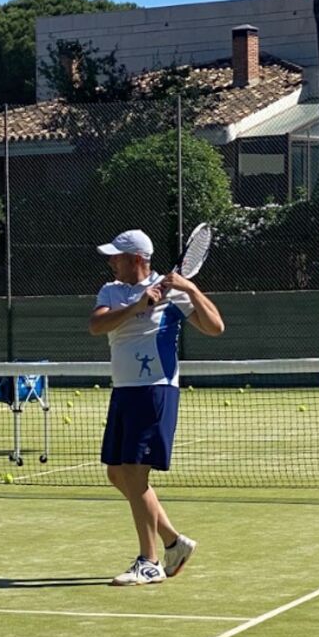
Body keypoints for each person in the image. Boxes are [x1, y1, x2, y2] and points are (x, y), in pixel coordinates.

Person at [88, 229, 225, 586]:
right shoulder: (111, 291)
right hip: (124, 392)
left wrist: (190, 288)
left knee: (135, 474)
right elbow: (96, 325)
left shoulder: (175, 295)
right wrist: (137, 305)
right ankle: (173, 542)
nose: (110, 261)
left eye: (116, 256)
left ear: (136, 259)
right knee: (117, 474)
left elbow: (215, 327)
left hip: (155, 391)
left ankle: (149, 561)